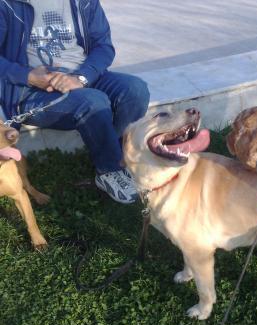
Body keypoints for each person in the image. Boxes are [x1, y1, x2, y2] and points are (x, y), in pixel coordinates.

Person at [0, 0, 150, 204]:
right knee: (92, 101)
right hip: (31, 89)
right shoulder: (8, 4)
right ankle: (110, 171)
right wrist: (28, 76)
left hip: (81, 76)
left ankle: (124, 159)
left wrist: (81, 78)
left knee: (135, 89)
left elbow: (103, 46)